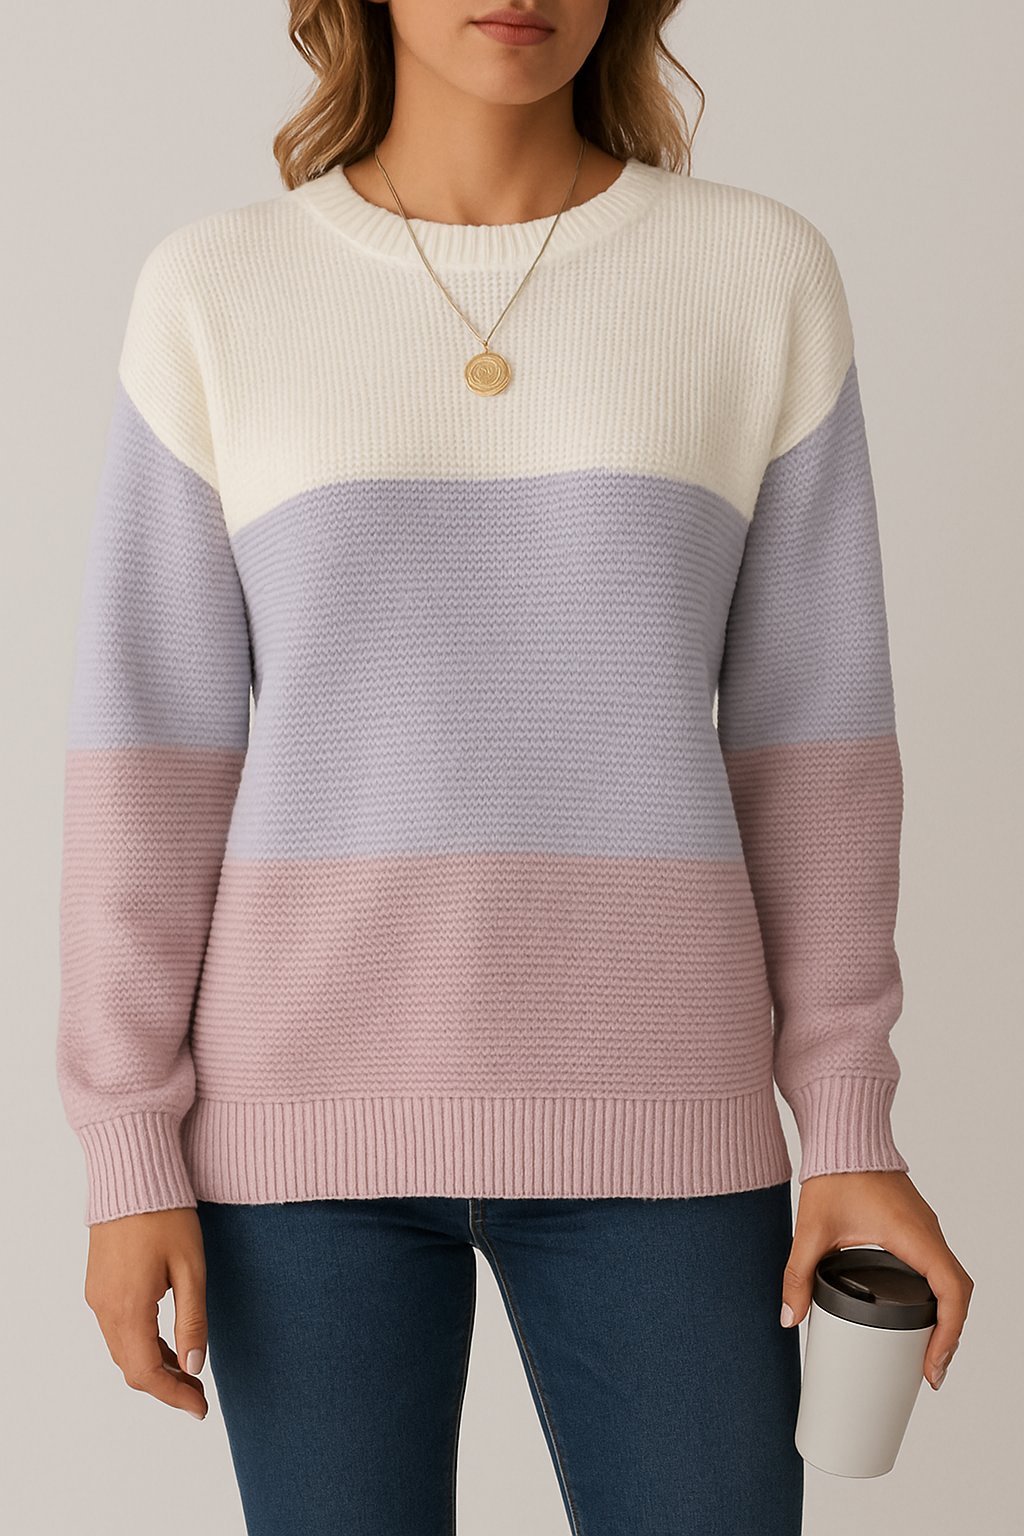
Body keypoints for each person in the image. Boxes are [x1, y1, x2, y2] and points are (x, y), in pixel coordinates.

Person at [57, 2, 974, 1531]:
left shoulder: (755, 273)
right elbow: (150, 757)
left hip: (666, 1113)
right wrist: (126, 1148)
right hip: (298, 1132)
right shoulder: (217, 288)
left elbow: (813, 748)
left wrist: (851, 1122)